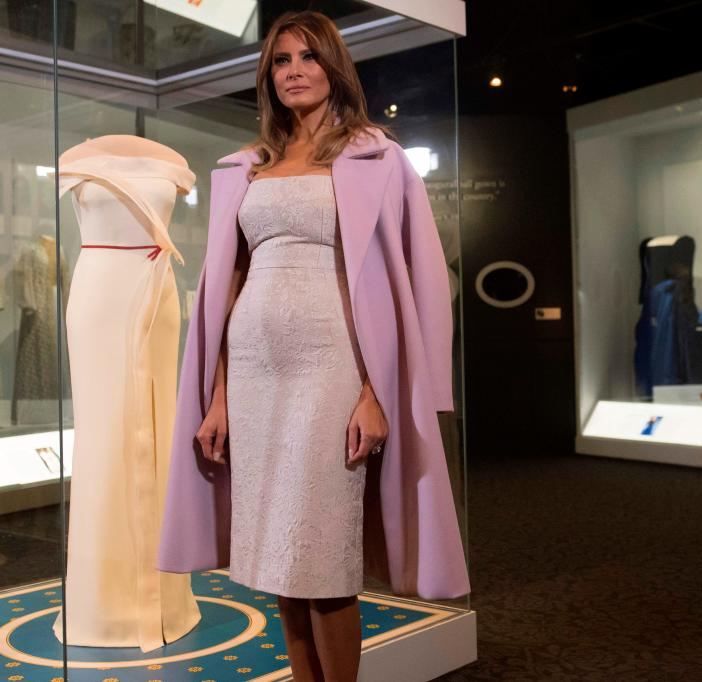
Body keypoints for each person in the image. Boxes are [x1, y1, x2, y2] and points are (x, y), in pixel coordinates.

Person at [157, 10, 469, 681]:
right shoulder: (245, 167)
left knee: (323, 560)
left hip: (332, 369)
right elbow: (223, 285)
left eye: (307, 57)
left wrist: (376, 392)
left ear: (333, 68)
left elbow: (417, 281)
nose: (293, 71)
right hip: (251, 373)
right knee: (279, 557)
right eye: (280, 60)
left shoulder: (376, 158)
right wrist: (215, 400)